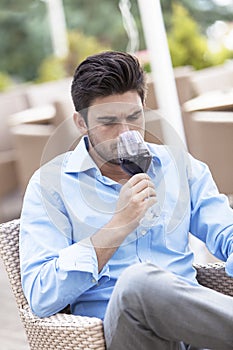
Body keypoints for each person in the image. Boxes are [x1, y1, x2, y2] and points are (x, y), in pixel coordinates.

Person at [20, 51, 233, 350]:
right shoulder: (50, 186)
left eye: (134, 117)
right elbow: (41, 295)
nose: (125, 133)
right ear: (81, 123)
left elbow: (226, 232)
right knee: (139, 283)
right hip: (126, 336)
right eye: (108, 122)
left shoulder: (180, 167)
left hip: (197, 332)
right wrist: (118, 225)